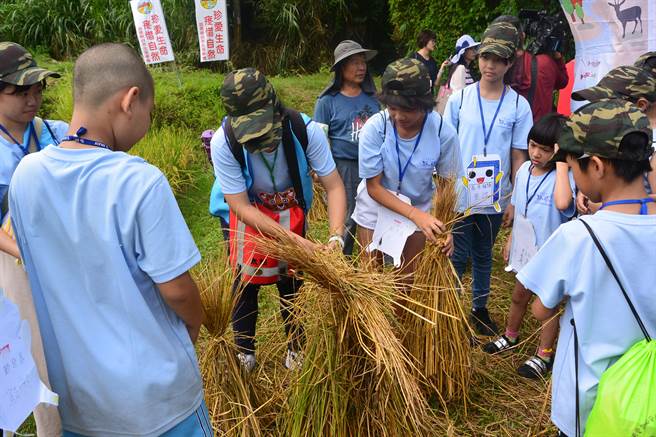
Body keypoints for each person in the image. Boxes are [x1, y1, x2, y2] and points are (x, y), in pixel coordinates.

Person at [9, 43, 210, 436]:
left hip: (83, 411)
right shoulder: (138, 181)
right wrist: (195, 326)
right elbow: (179, 292)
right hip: (160, 407)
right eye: (150, 113)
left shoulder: (26, 178)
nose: (147, 124)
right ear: (130, 100)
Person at [518, 99, 656, 436]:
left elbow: (539, 309)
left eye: (571, 166)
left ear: (596, 166)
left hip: (591, 401)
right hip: (647, 399)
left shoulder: (578, 237)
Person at [211, 68, 346, 371]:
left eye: (267, 132)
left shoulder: (304, 130)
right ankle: (245, 351)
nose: (264, 143)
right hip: (247, 212)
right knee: (245, 282)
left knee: (292, 279)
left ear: (277, 111)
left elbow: (335, 186)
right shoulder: (225, 143)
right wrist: (298, 243)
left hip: (290, 208)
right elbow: (241, 207)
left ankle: (296, 347)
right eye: (254, 138)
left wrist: (336, 237)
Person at [444, 21, 533, 335]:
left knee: (484, 253)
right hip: (460, 192)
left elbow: (519, 156)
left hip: (496, 194)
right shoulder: (460, 100)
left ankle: (478, 308)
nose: (489, 65)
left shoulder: (518, 106)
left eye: (497, 60)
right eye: (484, 58)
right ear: (477, 58)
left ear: (509, 63)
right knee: (457, 253)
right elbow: (447, 148)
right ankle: (452, 312)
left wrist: (516, 202)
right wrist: (442, 192)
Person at [0, 42, 68, 437]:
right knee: (21, 353)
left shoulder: (54, 134)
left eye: (38, 88)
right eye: (21, 91)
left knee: (58, 355)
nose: (33, 98)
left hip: (57, 260)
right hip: (14, 266)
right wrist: (22, 253)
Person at [483, 113, 575, 379]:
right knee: (519, 295)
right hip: (526, 249)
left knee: (546, 306)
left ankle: (544, 354)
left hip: (552, 253)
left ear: (559, 150)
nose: (536, 154)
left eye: (546, 150)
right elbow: (521, 207)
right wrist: (512, 239)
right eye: (533, 145)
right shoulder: (524, 170)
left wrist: (562, 165)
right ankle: (510, 335)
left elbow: (563, 206)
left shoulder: (565, 178)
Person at [352, 58, 462, 278]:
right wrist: (415, 215)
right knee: (370, 279)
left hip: (420, 210)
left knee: (407, 281)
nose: (399, 117)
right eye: (393, 108)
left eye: (408, 109)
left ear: (424, 103)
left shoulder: (442, 132)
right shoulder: (375, 129)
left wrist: (445, 227)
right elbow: (374, 187)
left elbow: (446, 187)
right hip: (376, 207)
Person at [314, 40, 379, 255]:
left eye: (363, 62)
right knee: (349, 215)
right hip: (344, 167)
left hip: (373, 165)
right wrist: (318, 169)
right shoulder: (327, 102)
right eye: (355, 63)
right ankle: (344, 260)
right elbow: (319, 140)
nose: (361, 67)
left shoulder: (372, 98)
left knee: (376, 213)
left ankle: (376, 261)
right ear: (342, 67)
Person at [570, 65, 656, 213]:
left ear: (641, 105)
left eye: (608, 103)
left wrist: (612, 206)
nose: (598, 108)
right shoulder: (619, 134)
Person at [494, 15, 569, 122]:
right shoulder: (545, 63)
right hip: (539, 134)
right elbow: (563, 82)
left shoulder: (492, 67)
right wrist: (558, 58)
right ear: (523, 36)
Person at [411, 30, 449, 94]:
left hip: (428, 99)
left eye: (435, 41)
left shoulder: (432, 61)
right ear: (425, 41)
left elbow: (436, 83)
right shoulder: (414, 58)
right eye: (432, 41)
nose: (434, 43)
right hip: (416, 99)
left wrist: (442, 67)